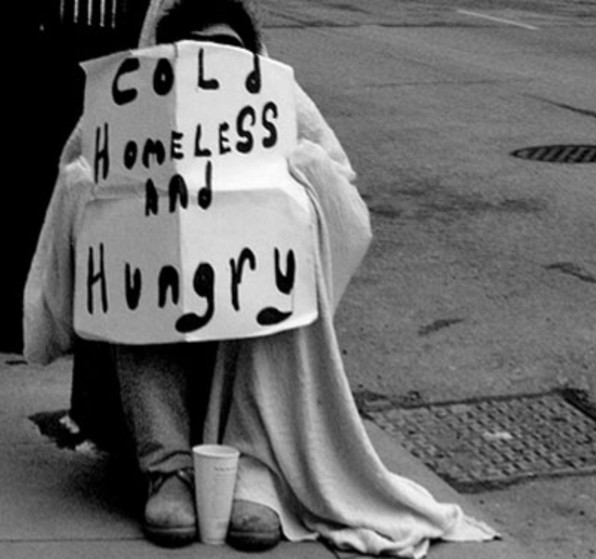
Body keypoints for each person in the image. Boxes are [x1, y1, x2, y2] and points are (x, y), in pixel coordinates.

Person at [24, 0, 499, 556]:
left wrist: (303, 179)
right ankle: (168, 469)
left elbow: (341, 191)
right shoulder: (133, 96)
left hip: (249, 299)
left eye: (228, 52)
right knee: (137, 270)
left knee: (280, 270)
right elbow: (77, 168)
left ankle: (255, 468)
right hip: (161, 299)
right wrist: (95, 194)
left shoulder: (278, 96)